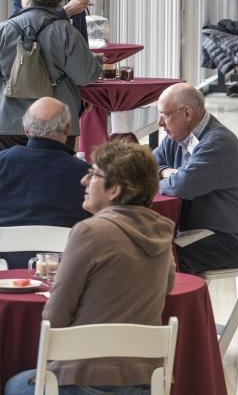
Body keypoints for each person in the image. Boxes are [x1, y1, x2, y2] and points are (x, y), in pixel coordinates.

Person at [4, 141, 175, 395]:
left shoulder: (90, 231)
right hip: (145, 380)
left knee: (15, 385)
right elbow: (168, 288)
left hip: (88, 381)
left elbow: (55, 317)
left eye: (93, 174)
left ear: (115, 189)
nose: (84, 181)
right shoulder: (161, 229)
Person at [153, 83, 238, 274]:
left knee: (162, 259)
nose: (159, 122)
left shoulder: (217, 143)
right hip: (199, 231)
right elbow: (147, 166)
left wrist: (170, 176)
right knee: (149, 251)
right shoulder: (177, 138)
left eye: (165, 114)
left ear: (187, 113)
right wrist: (164, 171)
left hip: (231, 238)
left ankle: (187, 303)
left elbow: (182, 185)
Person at [0, 0, 101, 150]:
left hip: (9, 122)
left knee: (11, 175)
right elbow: (85, 76)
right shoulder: (66, 31)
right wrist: (98, 61)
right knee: (55, 174)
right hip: (57, 124)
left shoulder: (4, 30)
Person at [0, 98, 90, 270]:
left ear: (26, 130)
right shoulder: (87, 175)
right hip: (66, 269)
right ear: (67, 129)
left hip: (4, 267)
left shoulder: (2, 162)